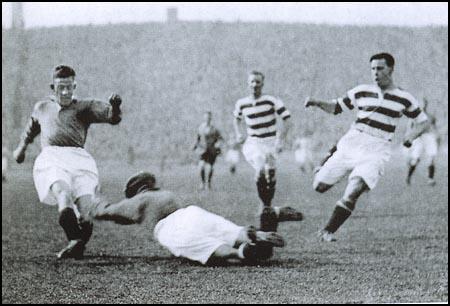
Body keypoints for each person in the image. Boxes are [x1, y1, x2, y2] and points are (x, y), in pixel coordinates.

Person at [304, 53, 430, 242]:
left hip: (377, 150)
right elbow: (336, 107)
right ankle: (332, 161)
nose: (375, 73)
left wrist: (410, 137)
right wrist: (316, 102)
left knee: (353, 191)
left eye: (380, 68)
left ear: (391, 69)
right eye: (373, 69)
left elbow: (423, 122)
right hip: (352, 143)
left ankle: (328, 231)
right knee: (319, 186)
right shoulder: (361, 91)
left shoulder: (404, 98)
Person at [12, 65, 122, 259]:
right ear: (52, 87)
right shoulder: (42, 107)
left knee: (87, 213)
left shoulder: (84, 107)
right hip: (53, 158)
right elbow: (32, 129)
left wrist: (115, 107)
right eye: (61, 87)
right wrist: (21, 149)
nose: (65, 91)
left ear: (74, 86)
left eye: (69, 87)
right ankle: (74, 239)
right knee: (63, 194)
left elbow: (111, 118)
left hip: (80, 159)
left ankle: (77, 242)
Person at [87, 172, 288, 265]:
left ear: (136, 189)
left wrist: (95, 202)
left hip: (168, 227)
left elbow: (109, 212)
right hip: (192, 213)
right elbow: (126, 219)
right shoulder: (166, 194)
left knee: (204, 246)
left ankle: (241, 253)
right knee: (226, 231)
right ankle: (252, 234)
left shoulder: (140, 199)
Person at [233, 71, 302, 257]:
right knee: (260, 167)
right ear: (248, 84)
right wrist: (239, 134)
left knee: (270, 173)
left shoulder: (271, 101)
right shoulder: (242, 103)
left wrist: (281, 138)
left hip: (270, 141)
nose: (254, 84)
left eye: (258, 82)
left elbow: (287, 118)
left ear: (262, 84)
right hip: (254, 142)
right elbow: (236, 119)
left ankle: (267, 205)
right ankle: (265, 206)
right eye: (252, 82)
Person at [406, 98, 440, 186]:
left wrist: (437, 137)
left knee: (431, 158)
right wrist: (409, 139)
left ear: (426, 105)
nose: (423, 105)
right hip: (418, 138)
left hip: (428, 137)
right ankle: (408, 177)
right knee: (415, 160)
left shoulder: (430, 116)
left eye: (425, 103)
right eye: (421, 103)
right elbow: (409, 129)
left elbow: (435, 128)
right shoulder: (413, 117)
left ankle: (430, 179)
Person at [193, 111, 223, 190]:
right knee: (201, 166)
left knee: (210, 167)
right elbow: (197, 138)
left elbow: (220, 138)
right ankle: (202, 183)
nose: (207, 119)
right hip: (202, 149)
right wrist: (194, 145)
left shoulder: (214, 129)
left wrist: (218, 144)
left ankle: (208, 183)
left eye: (209, 118)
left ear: (211, 118)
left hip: (212, 150)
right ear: (204, 118)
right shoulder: (200, 127)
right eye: (206, 117)